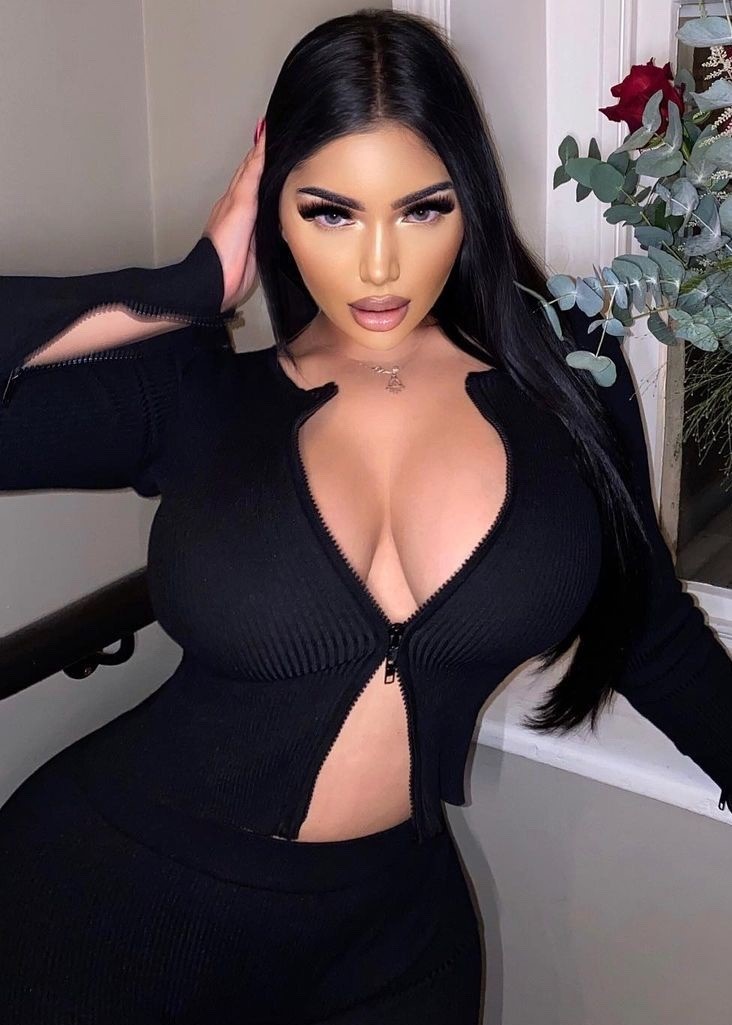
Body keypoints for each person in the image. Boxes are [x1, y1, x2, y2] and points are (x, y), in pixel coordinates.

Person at [0, 8, 730, 1023]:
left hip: (391, 943)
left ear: (470, 200)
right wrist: (187, 283)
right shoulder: (197, 395)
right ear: (272, 212)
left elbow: (653, 637)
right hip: (110, 912)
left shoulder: (569, 377)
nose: (380, 266)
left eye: (422, 209)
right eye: (331, 212)